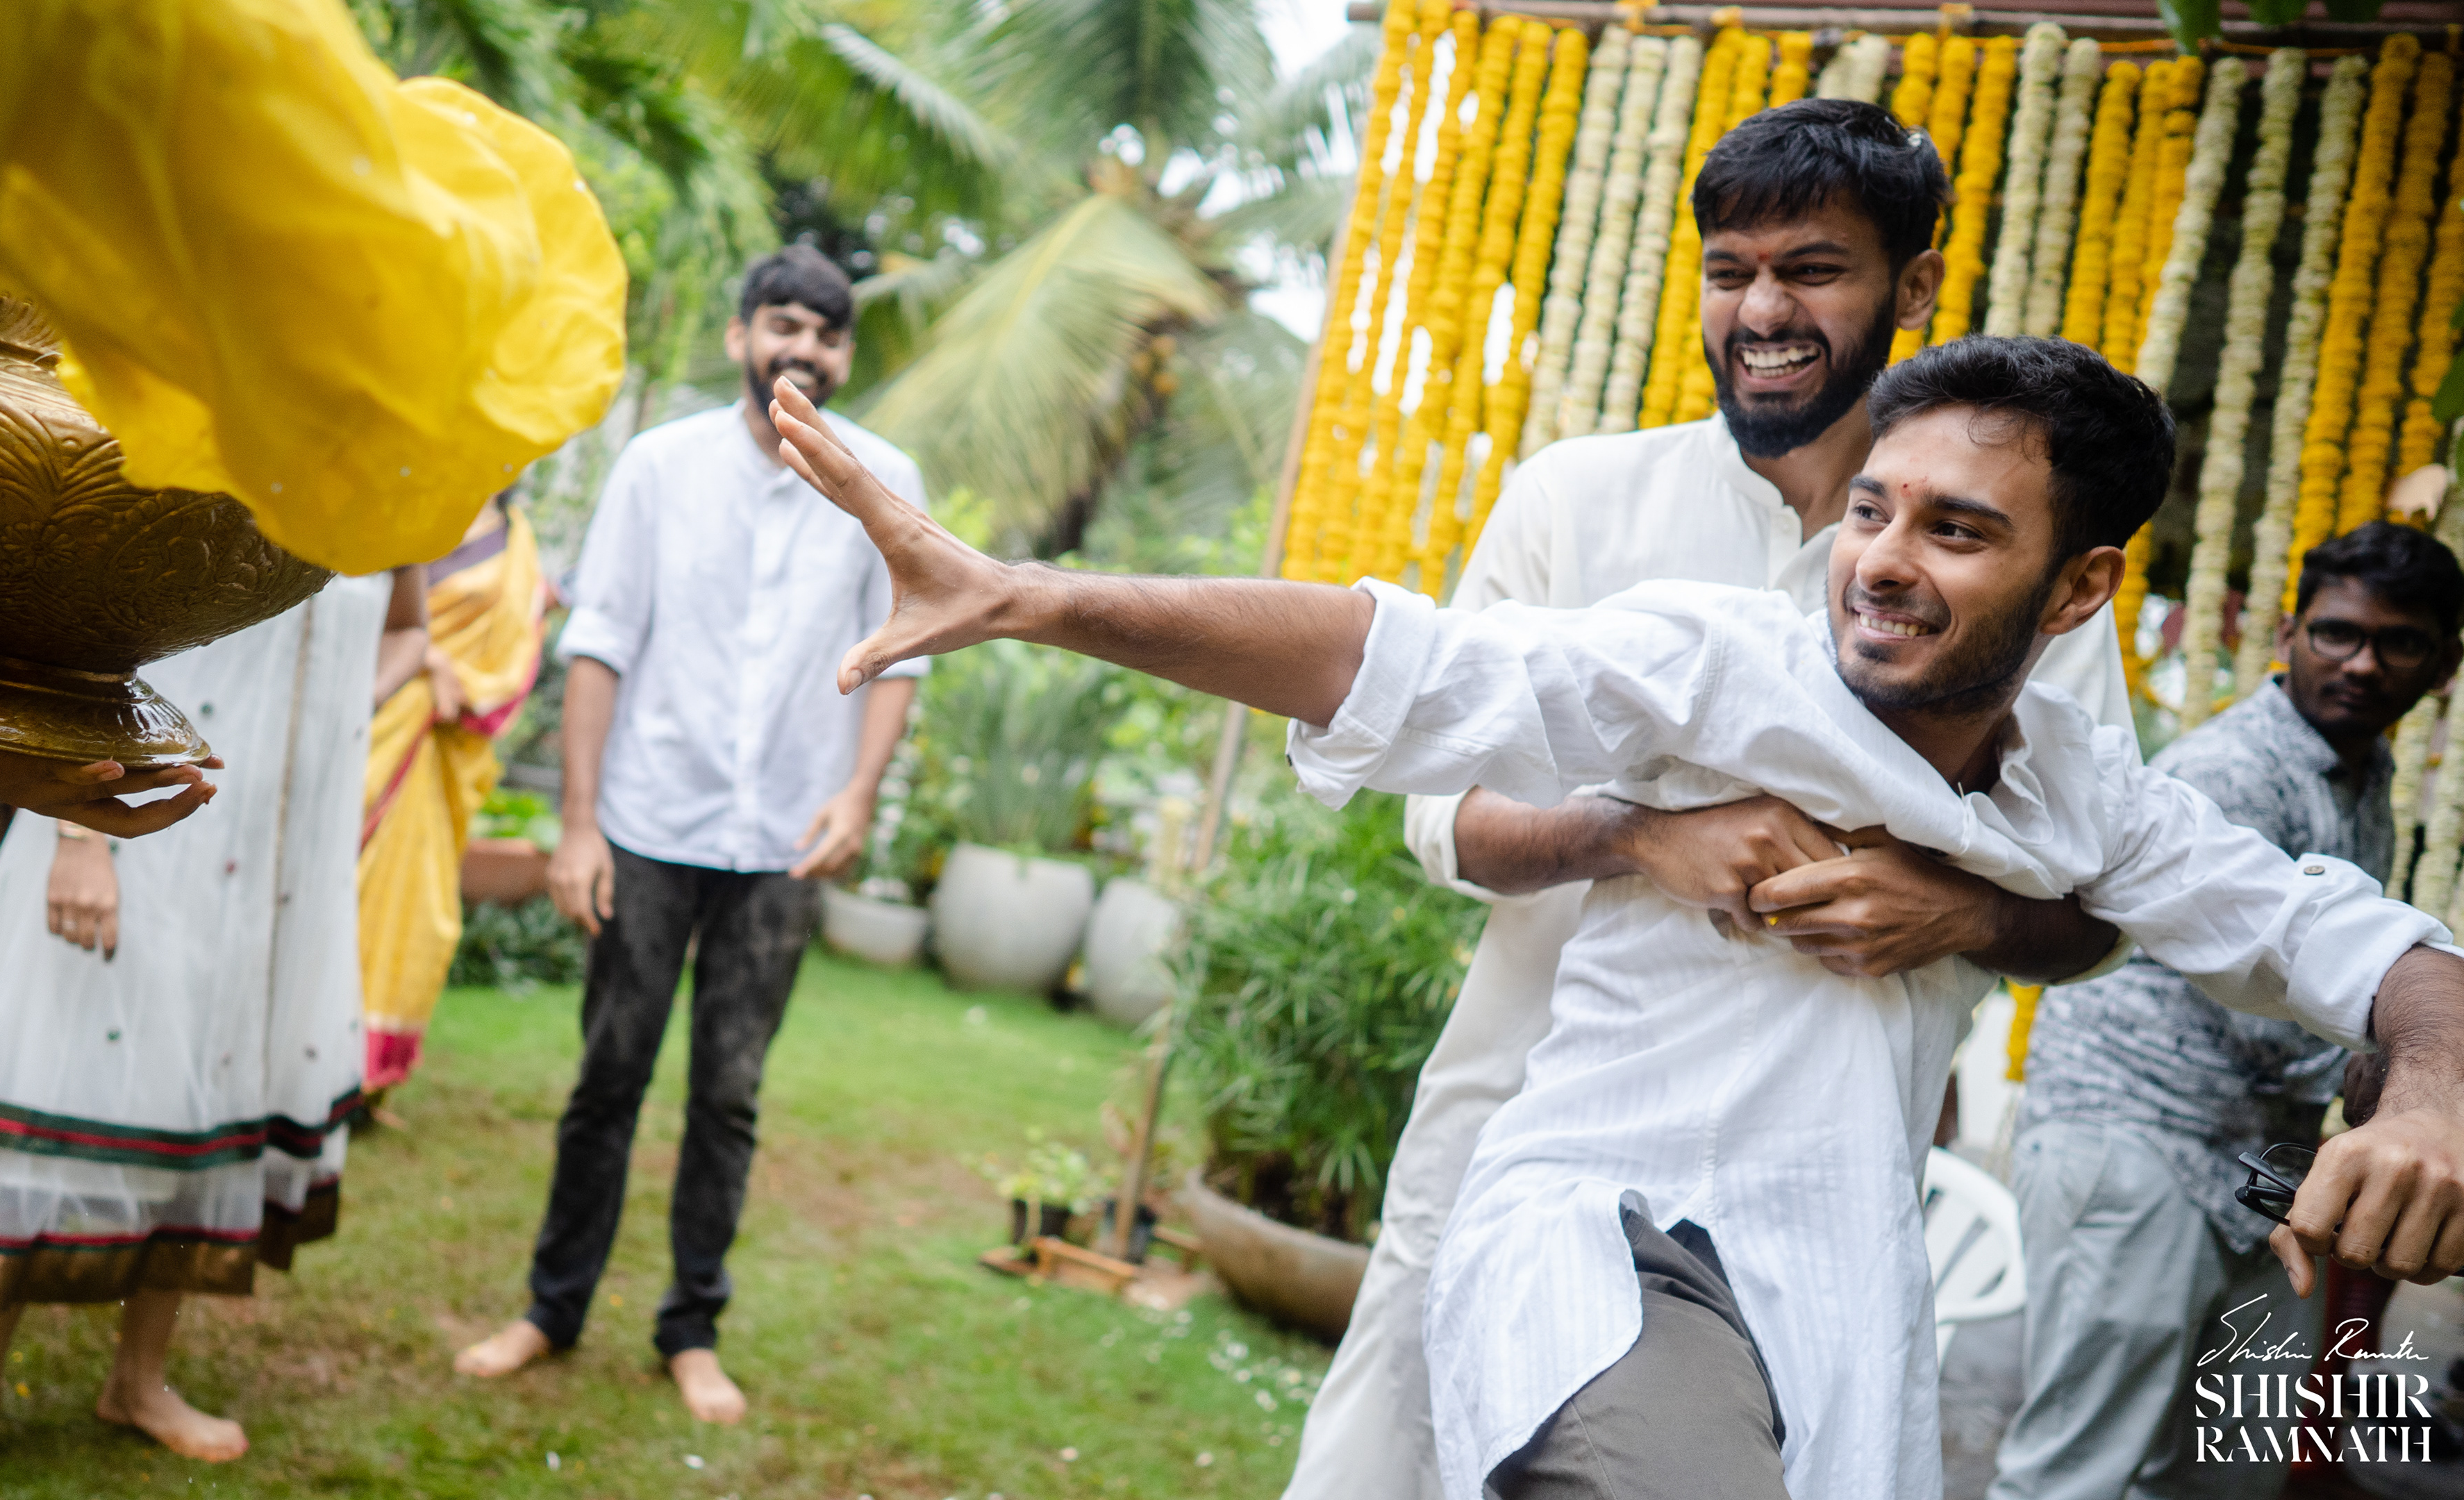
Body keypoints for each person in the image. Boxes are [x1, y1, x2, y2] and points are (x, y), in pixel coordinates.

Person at [765, 335, 2464, 1500]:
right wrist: (1034, 595)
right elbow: (1398, 658)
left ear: (2079, 583)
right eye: (1872, 507)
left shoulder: (2084, 796)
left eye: (1957, 530)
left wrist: (2437, 1086)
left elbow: (2356, 945)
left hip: (1845, 1282)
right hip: (1613, 1239)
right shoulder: (1717, 661)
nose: (1880, 558)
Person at [0, 6, 624, 1492]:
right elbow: (59, 576)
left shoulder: (359, 469)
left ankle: (140, 1374)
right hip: (123, 808)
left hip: (253, 835)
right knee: (63, 1083)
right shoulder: (167, 380)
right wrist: (59, 824)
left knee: (206, 1099)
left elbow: (399, 609)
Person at [1299, 99, 2133, 1499]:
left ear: (1914, 286)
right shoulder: (1580, 498)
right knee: (1388, 1465)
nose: (1763, 310)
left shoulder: (2014, 578)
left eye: (1812, 269)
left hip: (1819, 1192)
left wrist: (1952, 908)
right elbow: (1444, 818)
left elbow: (2100, 910)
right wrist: (1634, 836)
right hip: (1523, 1129)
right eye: (1730, 270)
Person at [453, 246, 924, 1424]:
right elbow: (599, 643)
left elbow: (902, 650)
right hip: (650, 826)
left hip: (784, 843)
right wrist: (577, 829)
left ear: (846, 353)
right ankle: (549, 1310)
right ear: (739, 337)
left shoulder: (883, 478)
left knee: (729, 1093)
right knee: (608, 1076)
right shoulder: (658, 468)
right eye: (782, 325)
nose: (802, 349)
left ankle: (690, 1329)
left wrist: (860, 794)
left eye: (825, 333)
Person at [1988, 521, 2464, 1500]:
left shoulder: (2361, 771)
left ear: (2446, 665)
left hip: (2259, 1166)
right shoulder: (2236, 767)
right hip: (2134, 1143)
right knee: (2079, 1474)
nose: (2363, 664)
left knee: (2228, 1472)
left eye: (2400, 643)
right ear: (2288, 632)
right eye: (2336, 634)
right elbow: (2266, 1001)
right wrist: (2402, 1083)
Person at [0, 567, 402, 1466]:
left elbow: (407, 630)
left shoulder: (415, 488)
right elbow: (85, 626)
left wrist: (325, 720)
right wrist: (77, 835)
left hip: (274, 870)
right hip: (139, 826)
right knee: (53, 1065)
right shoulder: (207, 439)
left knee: (205, 1098)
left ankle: (139, 1379)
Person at [358, 494, 552, 1117]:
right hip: (359, 717)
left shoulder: (517, 551)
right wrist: (429, 657)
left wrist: (449, 678)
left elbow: (511, 659)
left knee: (409, 905)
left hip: (432, 751)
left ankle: (365, 1073)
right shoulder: (400, 503)